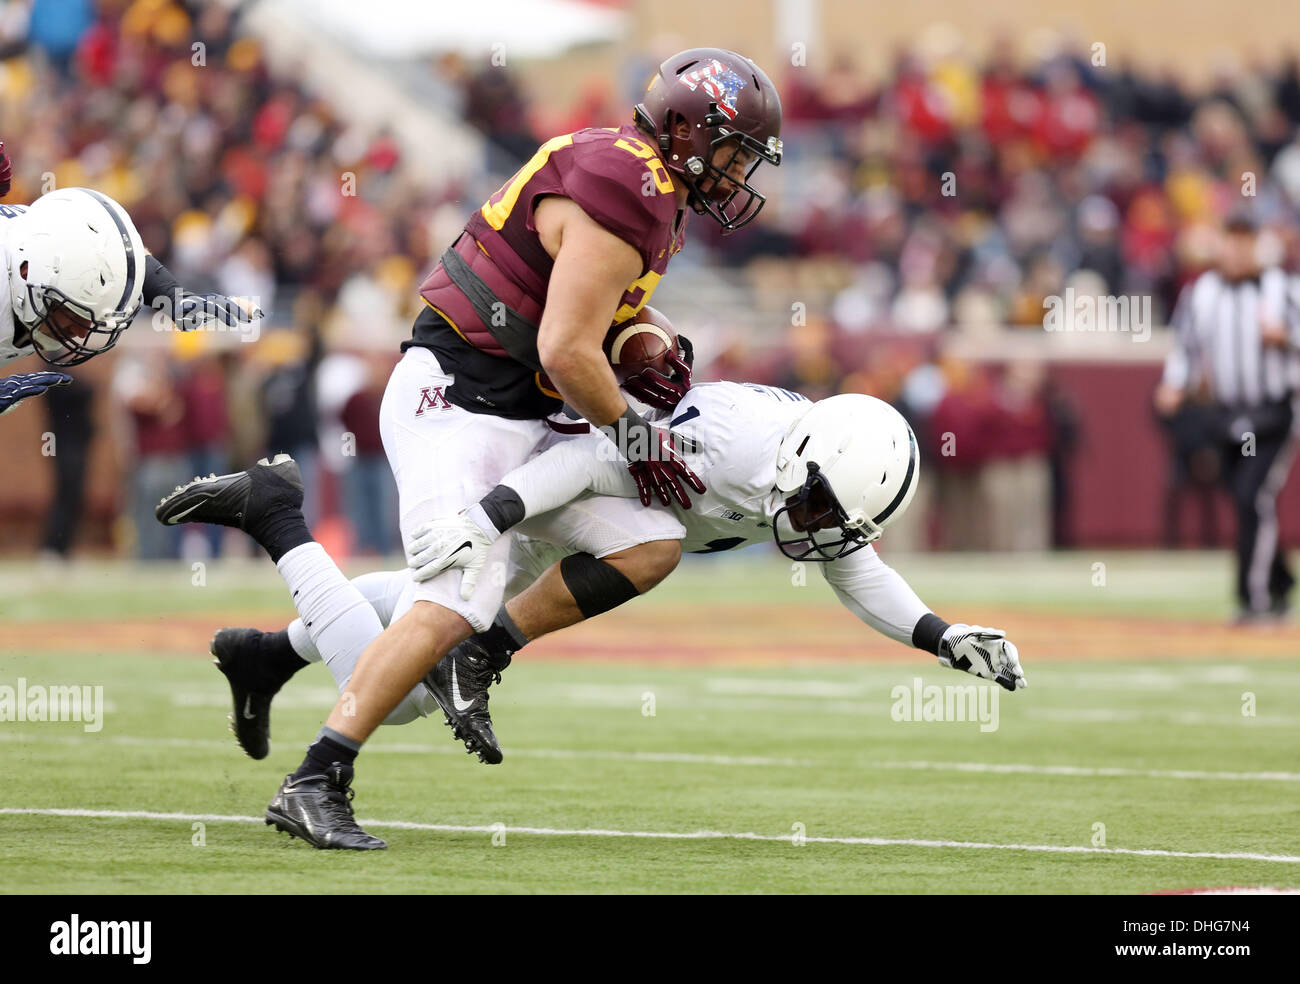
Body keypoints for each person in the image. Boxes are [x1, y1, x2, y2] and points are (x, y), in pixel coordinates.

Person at [156, 48, 786, 850]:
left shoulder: (636, 174)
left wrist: (651, 338)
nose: (737, 173)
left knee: (649, 542)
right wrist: (632, 428)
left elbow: (577, 313)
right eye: (733, 150)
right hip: (458, 400)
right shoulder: (632, 185)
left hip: (520, 412)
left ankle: (339, 654)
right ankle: (315, 774)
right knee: (457, 595)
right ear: (689, 130)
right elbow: (564, 348)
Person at [0, 178, 262, 416]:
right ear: (27, 273)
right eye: (73, 315)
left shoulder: (42, 242)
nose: (81, 334)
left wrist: (172, 296)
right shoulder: (29, 259)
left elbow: (121, 257)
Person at [1155, 210, 1300, 622]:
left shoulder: (1283, 287)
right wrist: (1175, 383)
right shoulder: (1201, 292)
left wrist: (1286, 338)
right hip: (1224, 414)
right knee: (1245, 503)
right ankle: (1281, 582)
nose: (1236, 249)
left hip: (1272, 414)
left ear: (1257, 245)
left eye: (1244, 240)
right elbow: (1185, 346)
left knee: (1252, 496)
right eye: (1230, 239)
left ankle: (1252, 600)